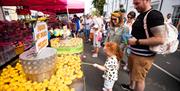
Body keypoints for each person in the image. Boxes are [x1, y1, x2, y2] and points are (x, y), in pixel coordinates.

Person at [120, 0, 165, 91]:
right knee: (133, 74)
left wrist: (136, 42)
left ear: (147, 1)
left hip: (143, 56)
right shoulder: (141, 14)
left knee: (139, 80)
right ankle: (131, 87)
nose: (135, 6)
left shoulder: (154, 15)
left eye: (137, 3)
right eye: (134, 3)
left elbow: (160, 39)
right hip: (134, 52)